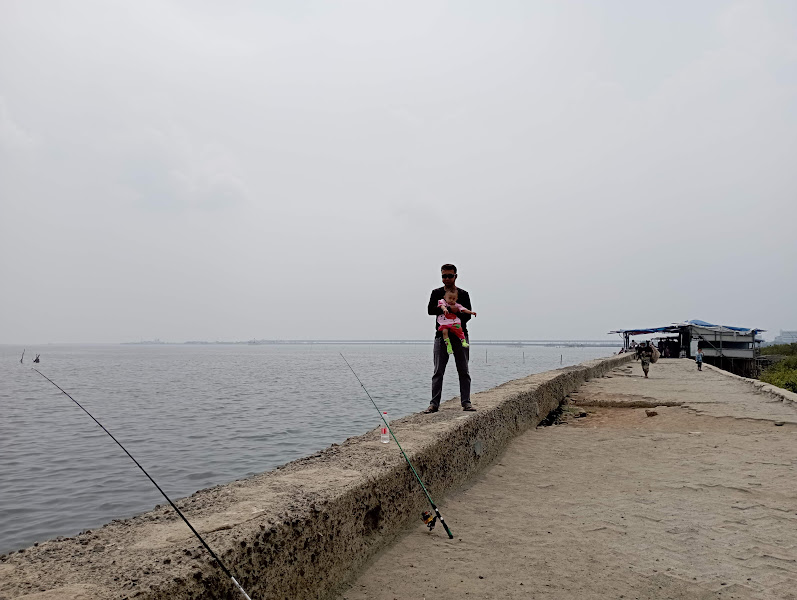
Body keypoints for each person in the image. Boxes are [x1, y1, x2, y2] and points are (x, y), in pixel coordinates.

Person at [425, 264, 476, 413]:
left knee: (464, 371)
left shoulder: (463, 294)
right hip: (441, 336)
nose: (446, 278)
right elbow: (429, 310)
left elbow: (467, 315)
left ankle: (466, 402)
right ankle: (434, 404)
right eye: (444, 276)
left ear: (456, 276)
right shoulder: (436, 293)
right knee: (438, 372)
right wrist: (445, 309)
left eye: (449, 276)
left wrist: (455, 313)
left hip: (461, 336)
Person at [437, 289, 477, 354]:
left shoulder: (457, 305)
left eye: (454, 299)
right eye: (449, 298)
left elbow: (464, 310)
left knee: (459, 329)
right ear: (445, 297)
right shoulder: (443, 302)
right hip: (445, 321)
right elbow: (442, 306)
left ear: (456, 299)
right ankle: (448, 345)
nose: (451, 300)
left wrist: (471, 312)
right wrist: (445, 309)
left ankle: (463, 341)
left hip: (454, 321)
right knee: (444, 331)